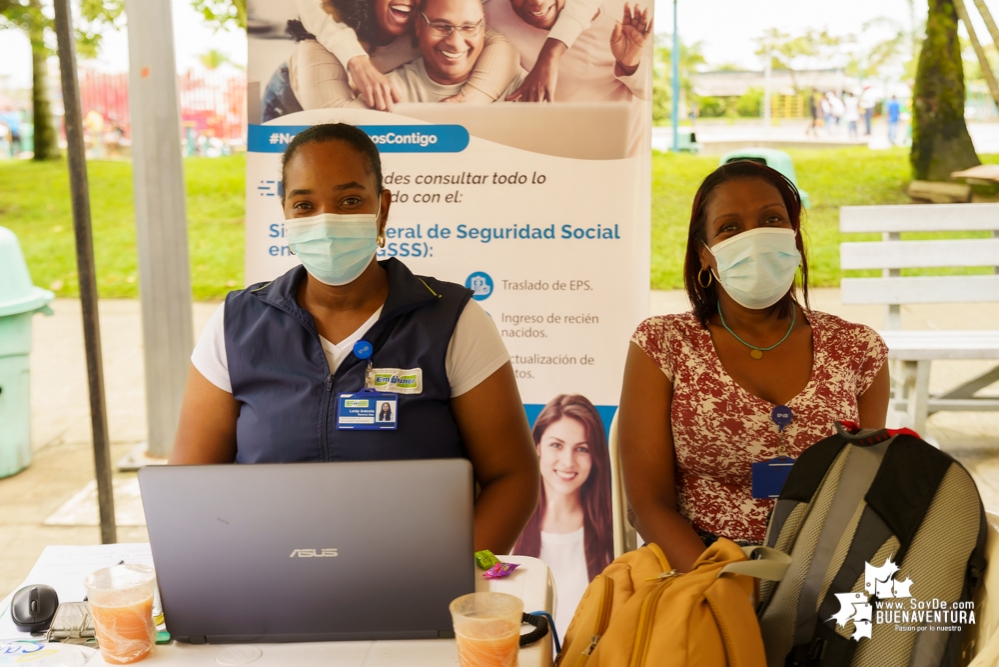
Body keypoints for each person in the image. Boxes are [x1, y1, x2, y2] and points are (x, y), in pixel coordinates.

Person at [172, 123, 540, 554]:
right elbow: (188, 488)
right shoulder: (236, 325)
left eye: (349, 201)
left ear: (381, 210)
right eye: (305, 205)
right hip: (269, 582)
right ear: (286, 215)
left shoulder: (453, 321)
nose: (326, 221)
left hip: (415, 586)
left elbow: (512, 476)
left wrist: (453, 580)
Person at [618, 160, 890, 573]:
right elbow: (648, 504)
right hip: (700, 572)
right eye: (730, 227)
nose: (755, 238)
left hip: (823, 573)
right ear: (705, 255)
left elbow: (862, 493)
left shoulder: (858, 349)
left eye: (771, 220)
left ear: (794, 239)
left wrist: (805, 589)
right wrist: (723, 586)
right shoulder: (663, 345)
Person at [483, 0, 651, 154]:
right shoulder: (490, 15)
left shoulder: (619, 31)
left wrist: (630, 64)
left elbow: (649, 93)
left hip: (607, 160)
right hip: (535, 162)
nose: (537, 3)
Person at [513, 394, 613, 639]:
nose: (568, 461)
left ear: (595, 456)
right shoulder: (509, 526)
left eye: (582, 449)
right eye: (556, 445)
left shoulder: (616, 532)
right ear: (536, 445)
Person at [364, 0, 529, 105]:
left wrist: (471, 101)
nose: (455, 43)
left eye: (468, 27)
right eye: (441, 26)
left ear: (483, 25)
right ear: (419, 25)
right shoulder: (387, 91)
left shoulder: (523, 91)